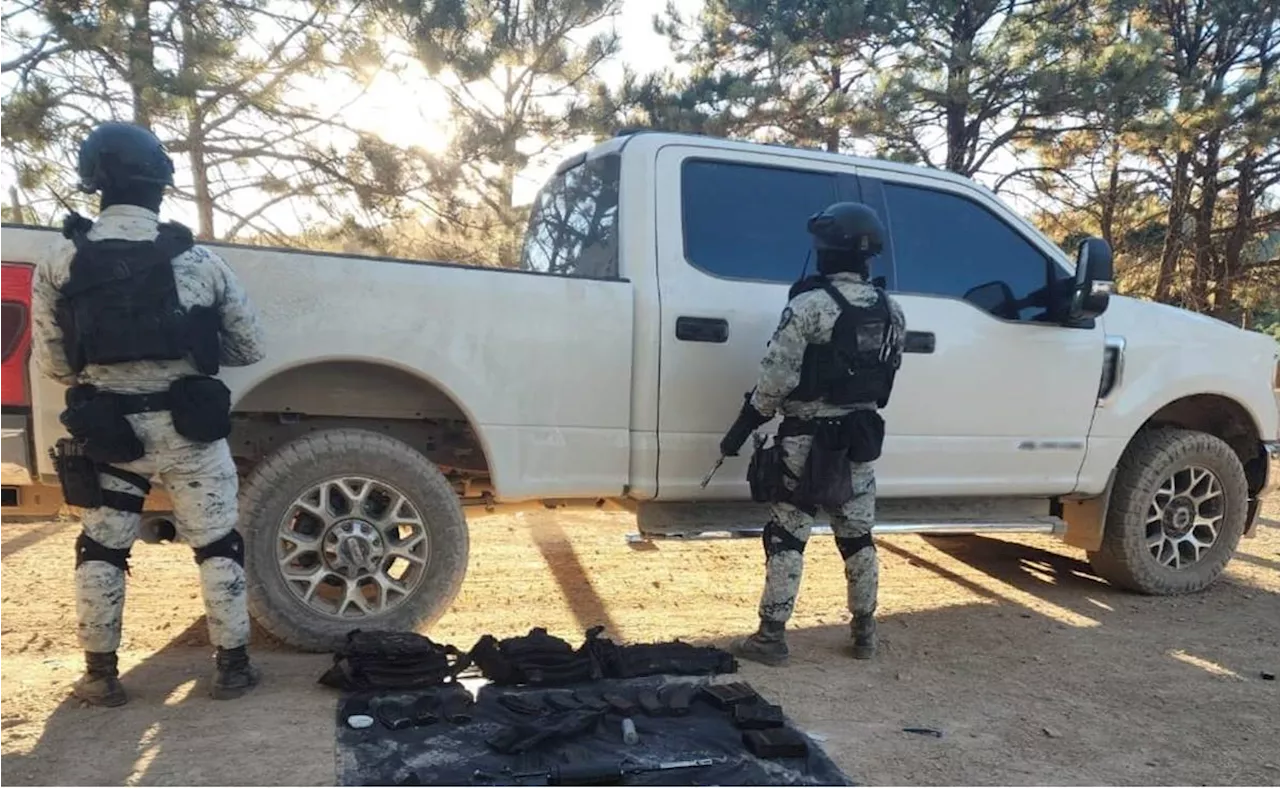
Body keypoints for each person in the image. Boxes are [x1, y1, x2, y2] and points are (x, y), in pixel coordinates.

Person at [30, 121, 267, 705]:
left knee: (103, 548)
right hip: (190, 428)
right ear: (161, 182)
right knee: (216, 544)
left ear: (95, 183)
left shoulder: (61, 262)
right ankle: (232, 667)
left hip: (109, 431)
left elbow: (55, 364)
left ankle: (100, 674)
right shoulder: (200, 261)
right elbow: (248, 348)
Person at [718, 201, 906, 666]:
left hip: (806, 439)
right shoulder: (892, 309)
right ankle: (865, 633)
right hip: (860, 439)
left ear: (826, 251)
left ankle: (771, 636)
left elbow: (776, 380)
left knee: (787, 535)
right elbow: (886, 376)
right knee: (858, 537)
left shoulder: (808, 306)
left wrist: (745, 424)